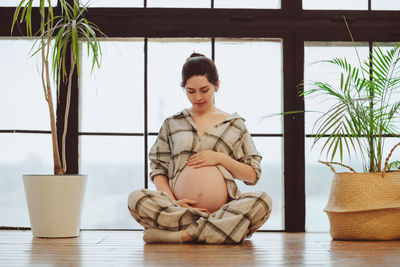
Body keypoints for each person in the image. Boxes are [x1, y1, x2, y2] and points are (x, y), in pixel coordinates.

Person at [127, 52, 272, 244]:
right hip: (179, 210)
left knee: (263, 201)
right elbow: (158, 169)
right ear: (184, 89)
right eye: (191, 91)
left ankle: (185, 235)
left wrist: (219, 158)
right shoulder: (172, 123)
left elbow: (252, 175)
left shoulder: (234, 124)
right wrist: (172, 201)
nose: (198, 97)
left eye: (204, 90)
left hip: (222, 211)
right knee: (136, 198)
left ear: (216, 85)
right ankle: (215, 230)